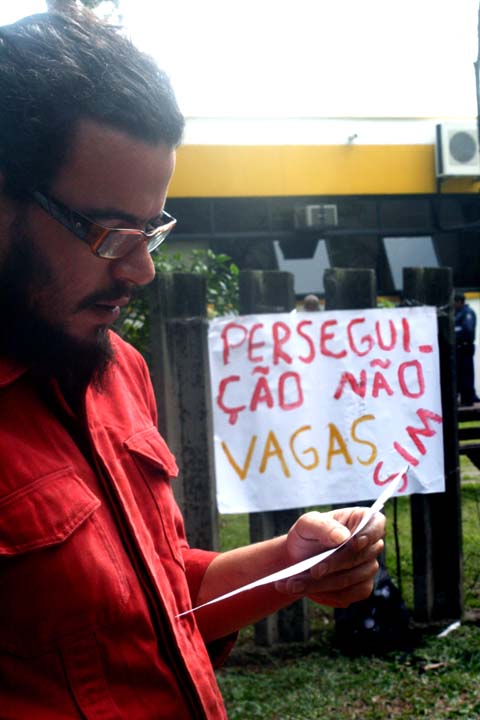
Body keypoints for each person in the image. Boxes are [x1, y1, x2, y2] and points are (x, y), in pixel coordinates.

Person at [0, 12, 386, 719]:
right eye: (112, 233)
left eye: (152, 229)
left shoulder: (115, 369)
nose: (142, 268)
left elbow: (151, 596)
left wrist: (292, 562)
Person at [454, 291, 479, 406]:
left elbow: (467, 331)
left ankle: (468, 398)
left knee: (466, 374)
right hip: (457, 349)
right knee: (459, 374)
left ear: (459, 302)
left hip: (465, 347)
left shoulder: (467, 313)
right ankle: (464, 397)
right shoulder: (456, 313)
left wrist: (454, 332)